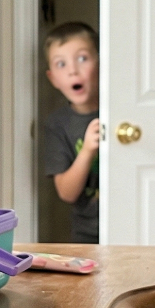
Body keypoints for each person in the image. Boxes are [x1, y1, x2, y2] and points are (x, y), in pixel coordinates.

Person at [42, 22, 100, 243]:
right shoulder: (58, 125)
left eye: (82, 58)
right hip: (87, 232)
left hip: (131, 221)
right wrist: (86, 151)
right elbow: (67, 193)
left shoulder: (122, 114)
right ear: (53, 78)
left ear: (100, 63)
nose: (73, 70)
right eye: (61, 64)